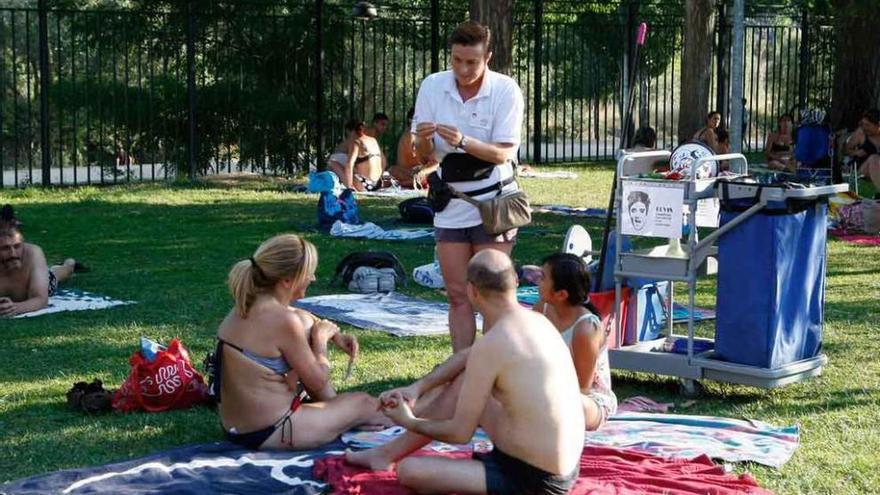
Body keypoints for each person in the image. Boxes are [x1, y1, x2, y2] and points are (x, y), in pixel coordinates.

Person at [346, 250, 585, 494]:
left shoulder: (493, 344)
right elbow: (466, 356)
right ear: (514, 280)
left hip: (536, 481)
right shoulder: (537, 321)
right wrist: (416, 388)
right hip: (566, 466)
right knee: (463, 382)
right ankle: (384, 454)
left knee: (410, 470)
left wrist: (409, 421)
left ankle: (388, 454)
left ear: (471, 291)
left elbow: (460, 433)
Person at [411, 20, 526, 352]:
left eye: (471, 62)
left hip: (493, 200)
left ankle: (495, 370)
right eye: (456, 60)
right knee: (458, 293)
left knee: (492, 294)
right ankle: (461, 366)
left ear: (487, 57)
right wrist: (420, 140)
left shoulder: (505, 90)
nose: (462, 69)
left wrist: (464, 141)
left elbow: (504, 151)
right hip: (451, 200)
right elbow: (424, 155)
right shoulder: (433, 86)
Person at [214, 233, 389, 450]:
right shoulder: (284, 322)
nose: (313, 278)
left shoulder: (247, 305)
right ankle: (416, 423)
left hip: (240, 430)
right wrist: (321, 340)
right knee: (362, 403)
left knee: (347, 405)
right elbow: (318, 380)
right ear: (287, 280)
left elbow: (301, 318)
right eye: (309, 273)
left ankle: (344, 418)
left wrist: (336, 335)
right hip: (275, 431)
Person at [532, 253, 617, 431]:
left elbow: (583, 387)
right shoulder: (542, 308)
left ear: (561, 294)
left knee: (568, 405)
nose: (537, 282)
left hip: (587, 400)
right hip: (546, 388)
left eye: (543, 278)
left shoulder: (586, 328)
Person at [0, 204, 85, 317]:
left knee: (57, 274)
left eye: (17, 246)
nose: (13, 254)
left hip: (42, 281)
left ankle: (69, 264)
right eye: (5, 248)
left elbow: (40, 299)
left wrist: (15, 308)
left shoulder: (33, 253)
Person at [327, 119, 384, 191]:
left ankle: (351, 187)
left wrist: (349, 185)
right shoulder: (373, 140)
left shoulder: (357, 142)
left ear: (352, 132)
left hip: (365, 185)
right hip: (377, 184)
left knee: (333, 163)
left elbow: (349, 165)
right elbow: (384, 162)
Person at [388, 108, 439, 189]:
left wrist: (423, 171)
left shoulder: (430, 135)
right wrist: (413, 172)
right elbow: (402, 165)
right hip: (412, 173)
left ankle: (409, 183)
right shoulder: (405, 138)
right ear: (410, 121)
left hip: (427, 172)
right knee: (392, 170)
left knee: (435, 173)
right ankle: (413, 182)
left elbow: (436, 164)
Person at [844, 108, 880, 198]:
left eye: (868, 125)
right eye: (863, 124)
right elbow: (845, 150)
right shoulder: (861, 133)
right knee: (873, 159)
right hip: (861, 170)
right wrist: (855, 152)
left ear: (878, 125)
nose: (864, 127)